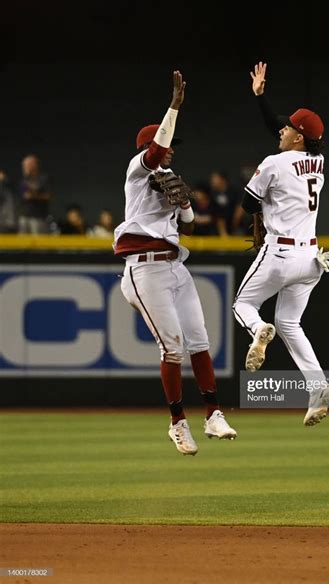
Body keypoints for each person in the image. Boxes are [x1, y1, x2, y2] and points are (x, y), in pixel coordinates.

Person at [113, 71, 236, 456]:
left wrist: (184, 203)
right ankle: (177, 422)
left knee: (200, 341)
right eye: (166, 145)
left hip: (174, 267)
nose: (170, 151)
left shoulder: (168, 176)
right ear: (150, 145)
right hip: (143, 269)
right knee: (173, 349)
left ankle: (213, 413)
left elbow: (189, 226)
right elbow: (153, 152)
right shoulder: (139, 169)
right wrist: (174, 106)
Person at [233, 62, 329, 427]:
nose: (283, 128)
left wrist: (265, 204)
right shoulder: (318, 160)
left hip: (280, 252)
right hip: (312, 259)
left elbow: (247, 204)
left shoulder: (274, 163)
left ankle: (257, 330)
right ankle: (319, 386)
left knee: (244, 303)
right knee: (291, 323)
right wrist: (261, 98)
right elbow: (279, 129)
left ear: (297, 137)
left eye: (289, 126)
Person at [18, 154, 53, 234]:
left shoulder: (44, 179)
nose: (24, 167)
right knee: (22, 244)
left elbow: (48, 196)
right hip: (24, 217)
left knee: (39, 243)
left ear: (34, 164)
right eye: (24, 165)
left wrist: (34, 196)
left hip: (38, 217)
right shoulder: (23, 180)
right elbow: (24, 195)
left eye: (27, 164)